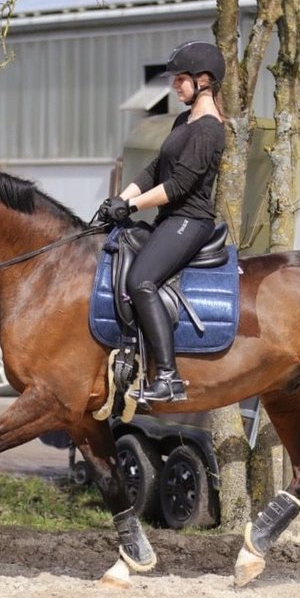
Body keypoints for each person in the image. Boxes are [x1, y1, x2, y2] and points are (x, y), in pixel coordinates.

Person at [96, 40, 227, 402]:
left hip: (190, 220)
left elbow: (180, 184)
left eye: (181, 79)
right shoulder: (184, 120)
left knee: (141, 280)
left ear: (204, 80)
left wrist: (134, 206)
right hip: (171, 217)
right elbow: (157, 169)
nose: (174, 85)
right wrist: (121, 199)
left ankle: (169, 378)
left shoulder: (209, 129)